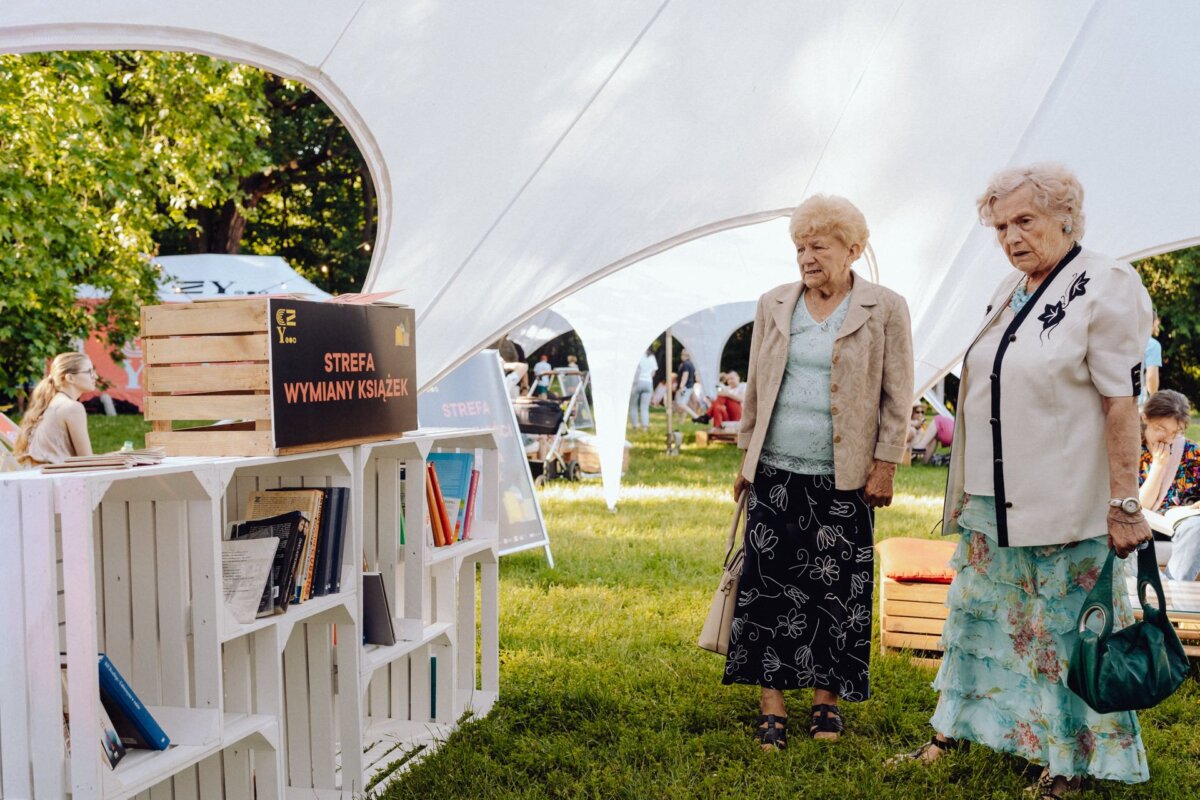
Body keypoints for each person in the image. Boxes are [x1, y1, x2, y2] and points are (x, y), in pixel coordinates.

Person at [893, 164, 1152, 796]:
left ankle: (1070, 761)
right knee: (984, 621)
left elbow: (1122, 404)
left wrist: (1124, 502)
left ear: (1068, 216)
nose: (1011, 236)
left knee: (1065, 630)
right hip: (992, 498)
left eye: (1024, 221)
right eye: (1002, 225)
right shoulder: (1010, 287)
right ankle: (957, 729)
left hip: (1066, 501)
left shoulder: (1107, 284)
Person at [725, 194, 913, 748]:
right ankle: (772, 705)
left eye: (819, 246)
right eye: (800, 246)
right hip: (776, 470)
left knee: (836, 590)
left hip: (846, 476)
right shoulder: (774, 304)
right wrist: (746, 458)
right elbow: (756, 387)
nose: (807, 256)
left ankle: (827, 702)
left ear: (853, 249)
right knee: (766, 589)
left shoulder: (885, 307)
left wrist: (886, 465)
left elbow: (896, 395)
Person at [1137, 390, 1200, 580]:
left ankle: (1172, 589)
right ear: (1145, 418)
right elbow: (1141, 505)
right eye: (1161, 429)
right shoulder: (1131, 449)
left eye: (1175, 432)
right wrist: (1158, 465)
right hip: (1142, 522)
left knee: (1197, 528)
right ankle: (1162, 588)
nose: (1168, 438)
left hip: (1179, 522)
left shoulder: (1189, 451)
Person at [13, 352, 96, 466]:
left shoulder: (52, 402)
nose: (95, 376)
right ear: (70, 378)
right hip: (55, 479)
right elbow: (87, 461)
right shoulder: (72, 407)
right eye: (89, 372)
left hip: (40, 475)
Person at [629, 349, 657, 431]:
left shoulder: (636, 355)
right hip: (648, 382)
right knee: (644, 407)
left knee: (633, 406)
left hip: (637, 382)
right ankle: (645, 427)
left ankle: (635, 426)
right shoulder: (652, 357)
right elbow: (653, 372)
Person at [1141, 309, 1162, 403]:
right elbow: (1151, 377)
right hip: (1140, 403)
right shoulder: (1152, 345)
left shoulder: (1126, 342)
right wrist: (1154, 400)